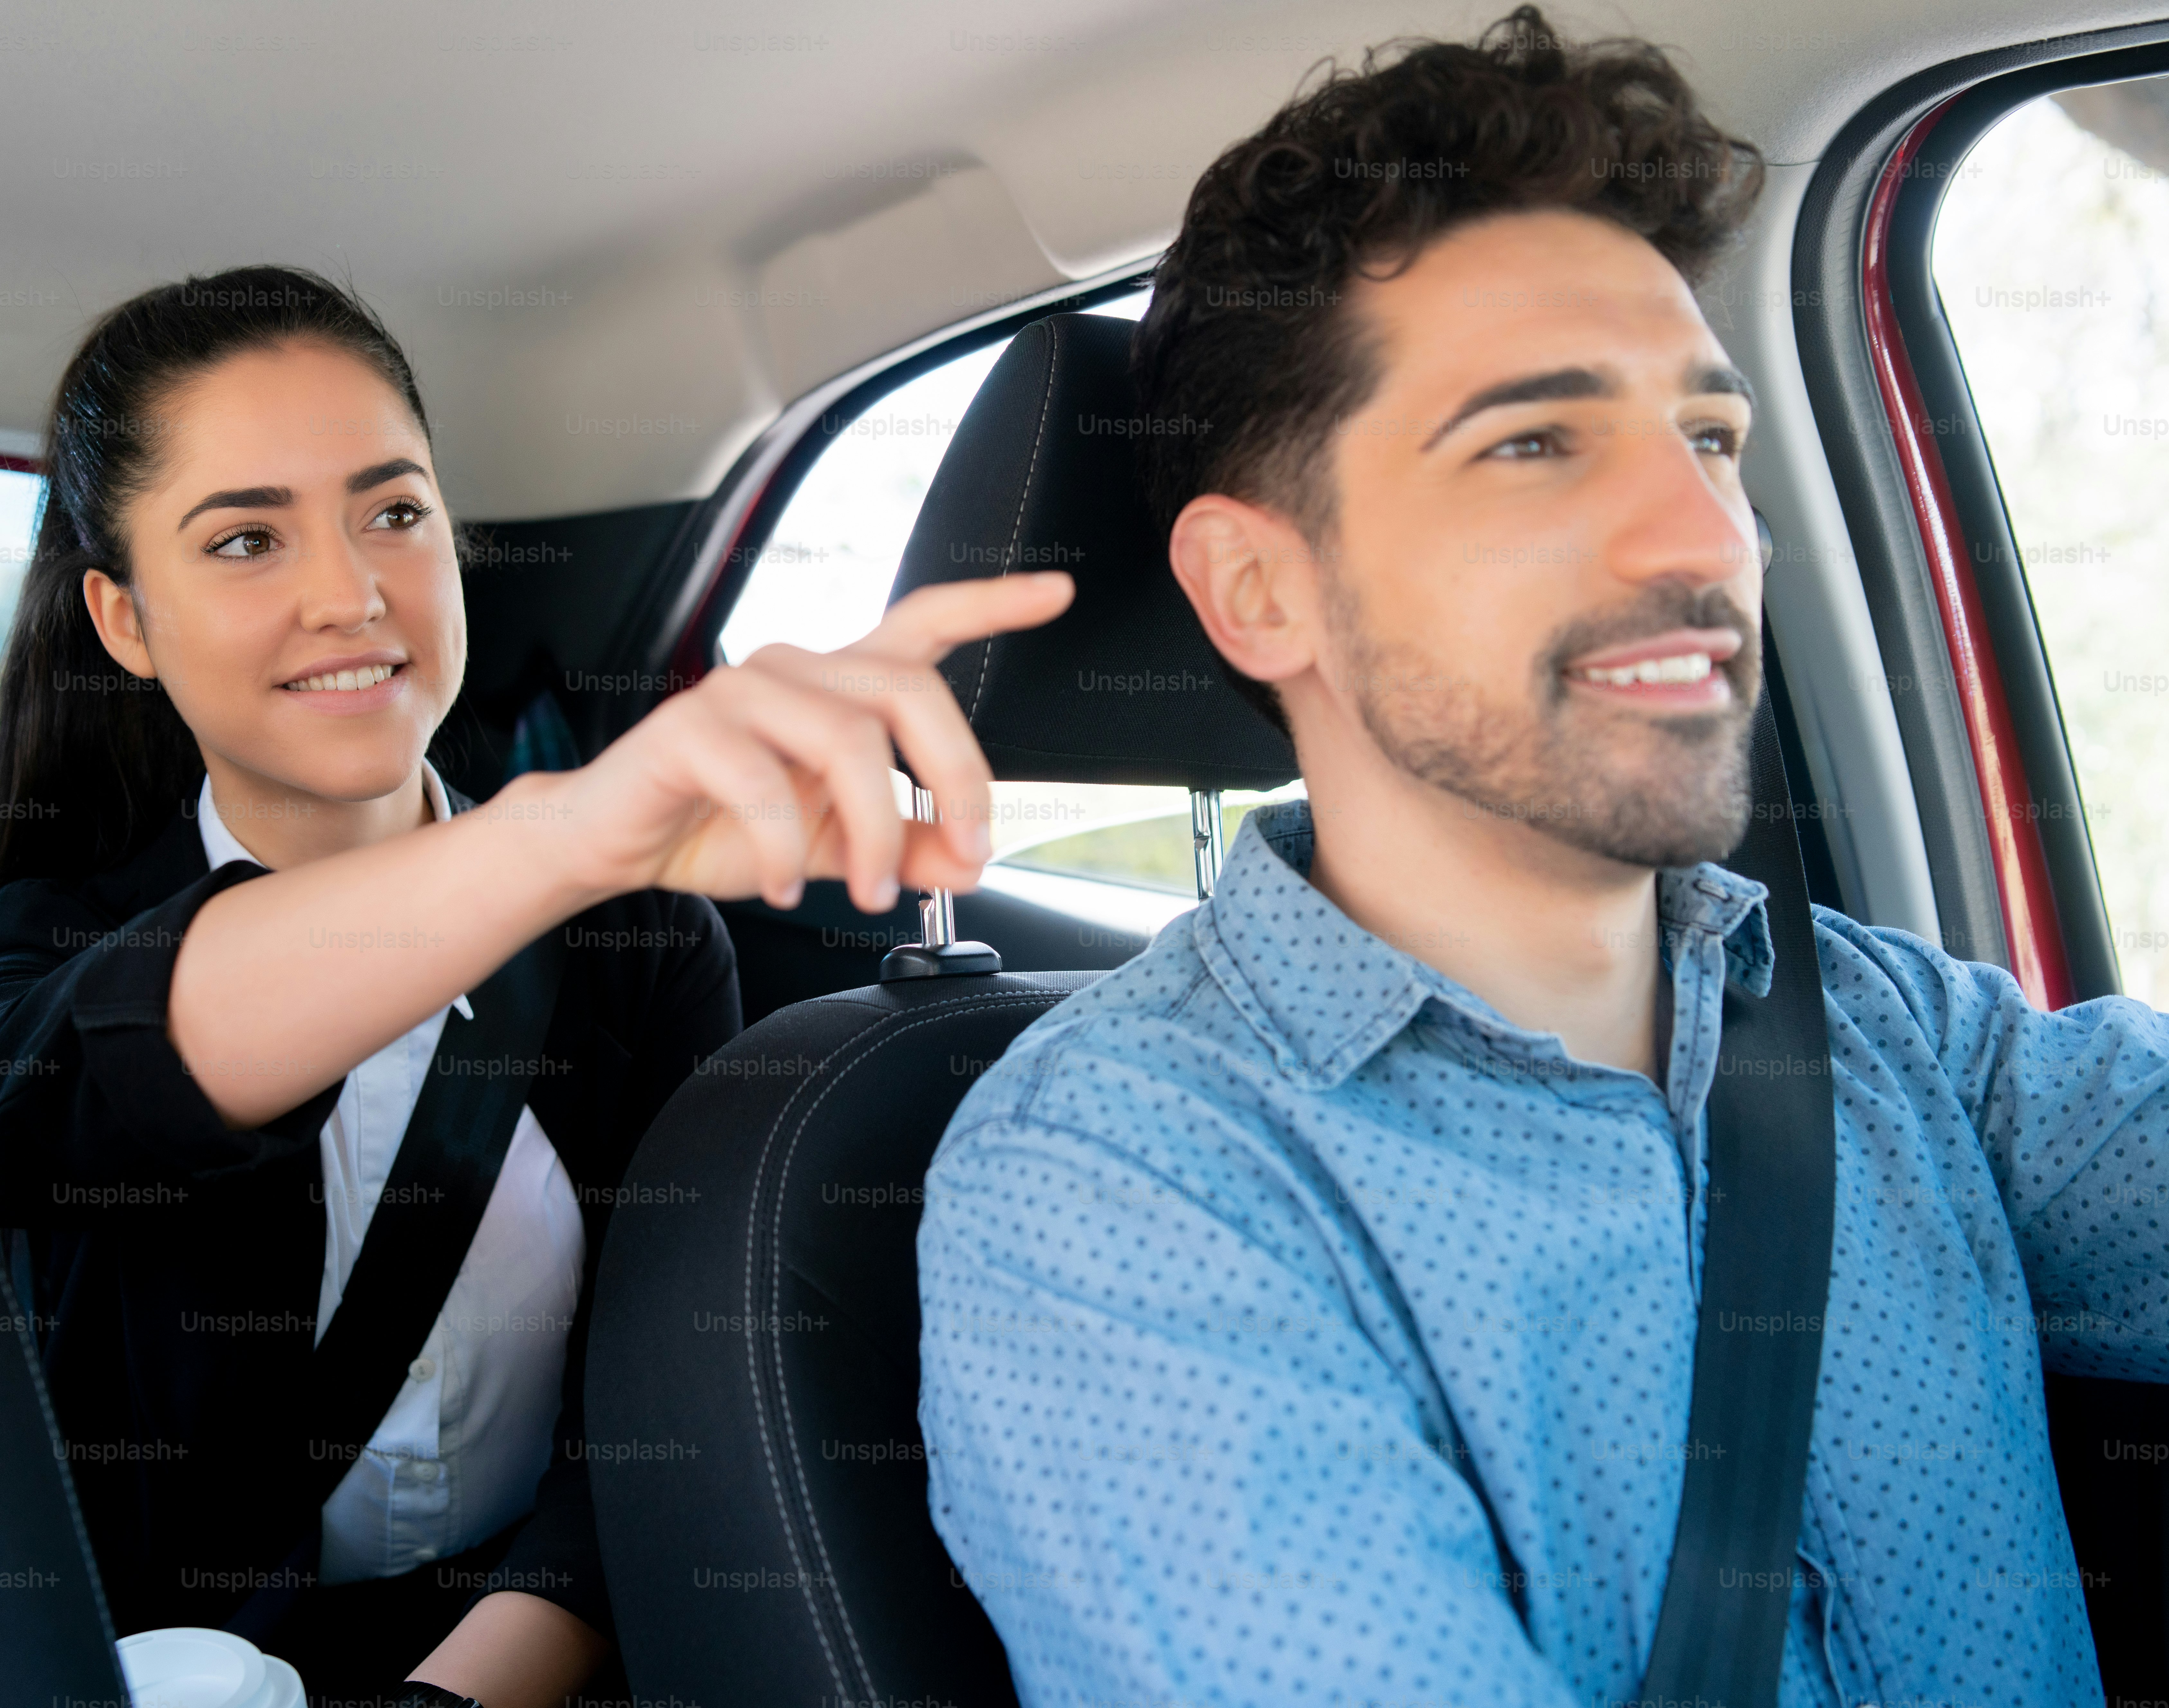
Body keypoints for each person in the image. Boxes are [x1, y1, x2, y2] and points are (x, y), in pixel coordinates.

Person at [915, 11, 2168, 1707]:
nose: (1705, 537)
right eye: (1532, 442)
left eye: (1708, 438)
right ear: (1259, 590)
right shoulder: (1122, 1187)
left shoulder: (1891, 1028)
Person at [0, 265, 1070, 1708]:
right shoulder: (47, 944)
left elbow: (648, 1406)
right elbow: (43, 1098)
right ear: (124, 620)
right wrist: (561, 836)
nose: (350, 595)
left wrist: (453, 1699)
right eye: (247, 540)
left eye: (393, 513)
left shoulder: (636, 946)